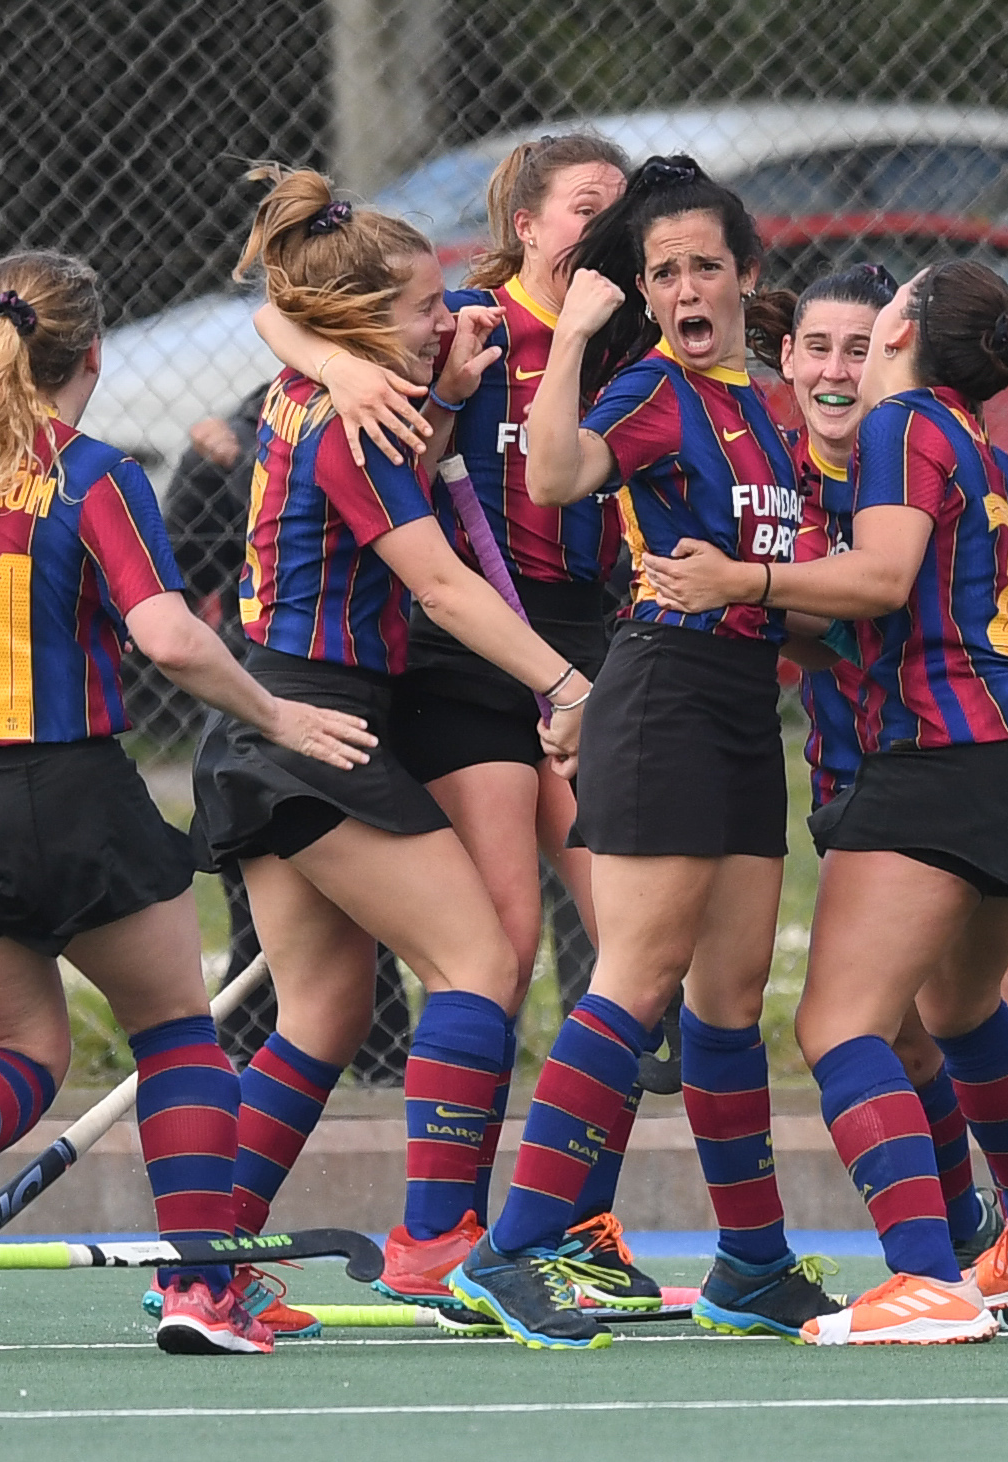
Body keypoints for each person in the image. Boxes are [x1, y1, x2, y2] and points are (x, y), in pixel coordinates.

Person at [0, 248, 373, 1355]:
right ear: (94, 353)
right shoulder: (92, 474)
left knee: (19, 1051)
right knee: (178, 1032)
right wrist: (279, 716)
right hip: (64, 785)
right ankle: (200, 1292)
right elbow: (169, 634)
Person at [648, 259, 1008, 1344]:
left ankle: (926, 1274)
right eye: (815, 346)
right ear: (784, 358)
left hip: (944, 752)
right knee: (960, 1015)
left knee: (839, 1024)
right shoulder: (934, 430)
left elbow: (879, 580)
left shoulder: (903, 431)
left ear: (899, 332)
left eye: (857, 341)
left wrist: (742, 586)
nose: (836, 365)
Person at [248, 136, 663, 1305]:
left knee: (621, 956)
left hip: (517, 657)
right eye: (586, 208)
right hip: (414, 681)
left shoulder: (617, 334)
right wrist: (340, 367)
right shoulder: (411, 360)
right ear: (526, 221)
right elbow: (287, 320)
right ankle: (449, 1237)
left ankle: (212, 1251)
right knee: (491, 954)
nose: (607, 230)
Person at [446, 155, 832, 1350]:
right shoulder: (652, 391)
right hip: (661, 692)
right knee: (638, 976)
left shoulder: (772, 404)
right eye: (662, 271)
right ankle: (508, 1253)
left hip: (738, 707)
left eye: (704, 264)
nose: (685, 286)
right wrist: (576, 337)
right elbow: (554, 473)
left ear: (745, 274)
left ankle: (753, 1264)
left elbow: (808, 594)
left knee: (727, 1000)